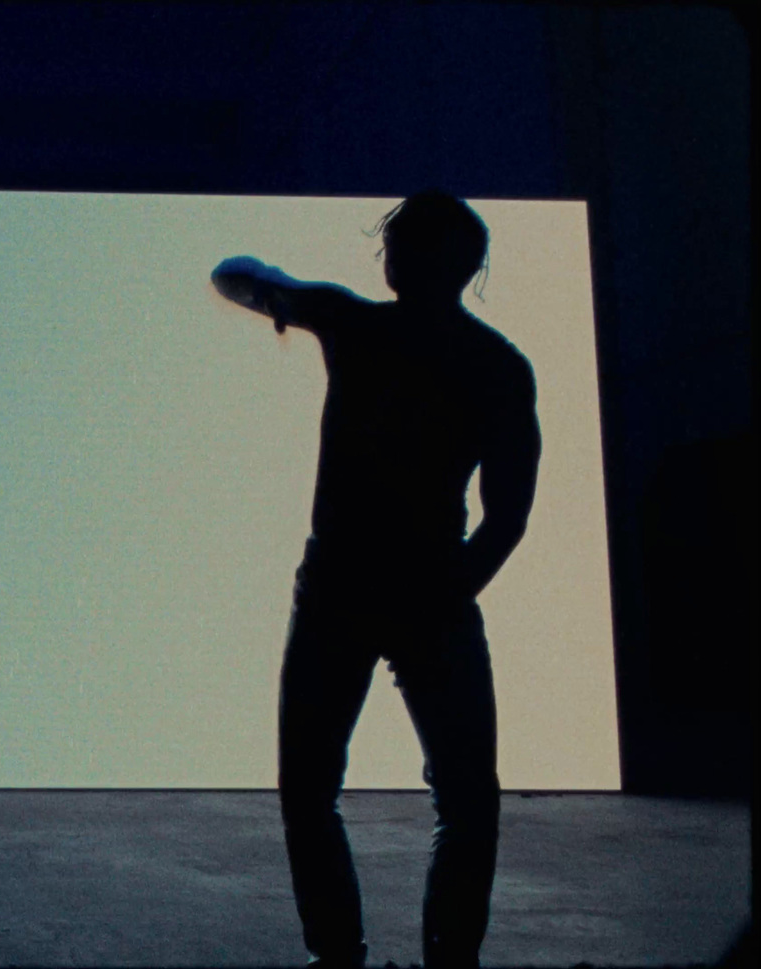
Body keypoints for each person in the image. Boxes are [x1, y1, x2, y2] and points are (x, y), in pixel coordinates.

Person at [211, 191, 540, 968]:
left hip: (346, 584)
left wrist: (273, 293)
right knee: (461, 799)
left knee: (318, 787)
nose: (394, 257)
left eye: (399, 243)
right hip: (417, 584)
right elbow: (507, 516)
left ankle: (343, 957)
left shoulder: (358, 324)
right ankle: (437, 960)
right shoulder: (491, 363)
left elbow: (233, 274)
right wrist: (451, 589)